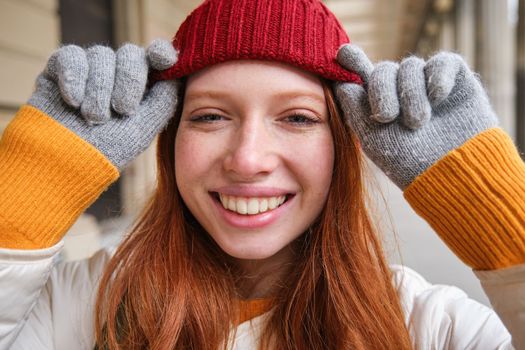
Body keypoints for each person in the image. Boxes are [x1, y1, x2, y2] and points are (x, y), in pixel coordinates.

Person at [0, 0, 524, 349]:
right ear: (167, 138)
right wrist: (29, 181)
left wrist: (496, 212)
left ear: (344, 145)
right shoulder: (83, 303)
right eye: (209, 116)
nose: (248, 160)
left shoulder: (430, 326)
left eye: (297, 118)